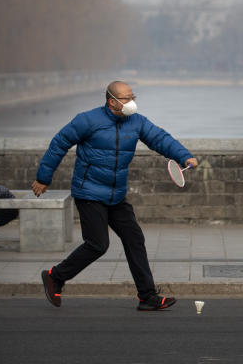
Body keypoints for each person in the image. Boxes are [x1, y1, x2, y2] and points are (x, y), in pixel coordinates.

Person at [31, 81, 198, 311]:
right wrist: (43, 178)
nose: (132, 103)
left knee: (134, 238)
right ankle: (55, 276)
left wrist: (184, 156)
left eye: (133, 97)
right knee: (98, 245)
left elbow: (159, 138)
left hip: (116, 195)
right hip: (89, 192)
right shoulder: (87, 120)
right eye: (126, 99)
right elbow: (59, 143)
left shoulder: (137, 122)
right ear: (112, 101)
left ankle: (147, 296)